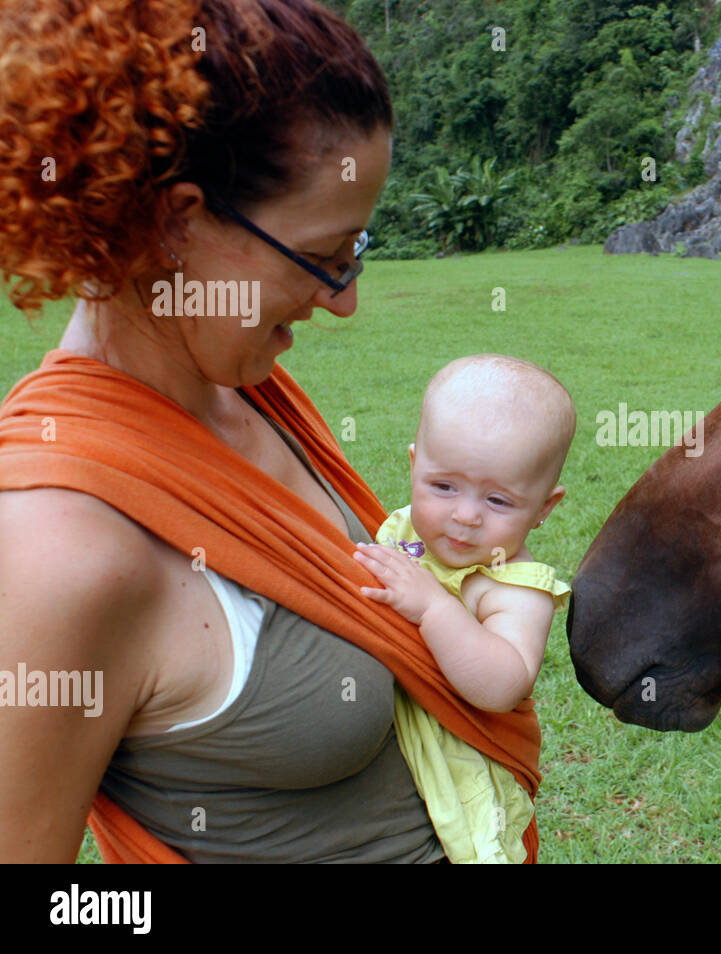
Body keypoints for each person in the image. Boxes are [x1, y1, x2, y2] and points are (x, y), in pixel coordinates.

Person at [0, 0, 541, 863]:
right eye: (326, 259)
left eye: (356, 254)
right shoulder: (56, 550)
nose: (347, 298)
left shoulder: (246, 392)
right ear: (178, 223)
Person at [354, 354, 575, 863]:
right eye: (444, 486)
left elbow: (501, 685)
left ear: (544, 507)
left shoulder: (513, 587)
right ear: (414, 466)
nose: (466, 516)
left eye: (498, 501)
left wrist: (434, 608)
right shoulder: (405, 531)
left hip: (461, 781)